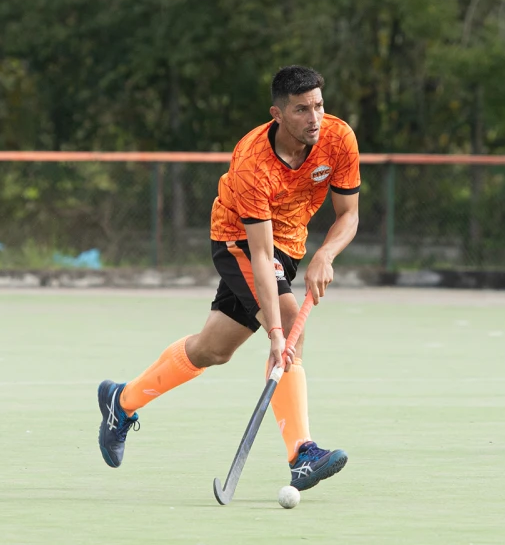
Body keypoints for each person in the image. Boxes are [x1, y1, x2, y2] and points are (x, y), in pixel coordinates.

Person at [96, 66, 361, 492]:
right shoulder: (253, 160)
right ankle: (302, 454)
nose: (314, 118)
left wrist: (325, 254)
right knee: (291, 325)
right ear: (277, 113)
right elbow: (259, 253)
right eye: (301, 110)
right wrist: (275, 331)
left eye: (318, 106)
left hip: (290, 247)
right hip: (239, 241)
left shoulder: (338, 137)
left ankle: (121, 401)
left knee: (212, 350)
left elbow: (349, 215)